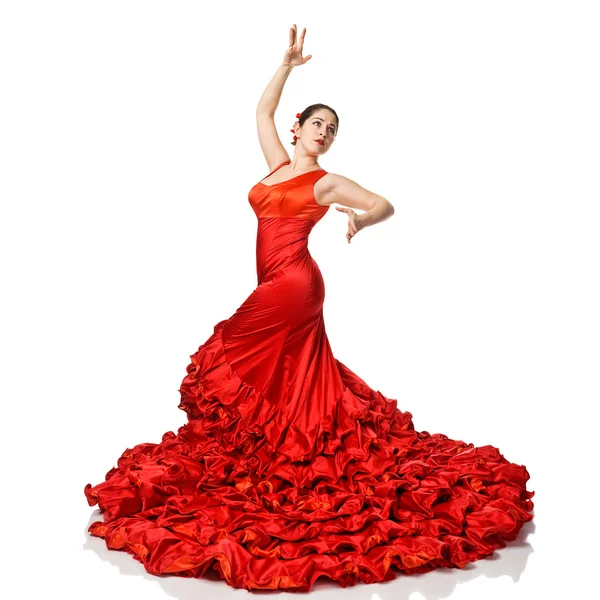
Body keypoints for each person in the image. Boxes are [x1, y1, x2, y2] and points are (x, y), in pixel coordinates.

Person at [84, 24, 534, 592]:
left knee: (230, 349)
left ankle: (283, 454)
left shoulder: (324, 183)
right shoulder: (276, 162)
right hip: (279, 279)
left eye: (332, 130)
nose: (323, 133)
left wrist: (361, 218)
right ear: (299, 129)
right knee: (290, 378)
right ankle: (282, 451)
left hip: (295, 284)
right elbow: (260, 112)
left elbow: (383, 202)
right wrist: (287, 66)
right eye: (317, 124)